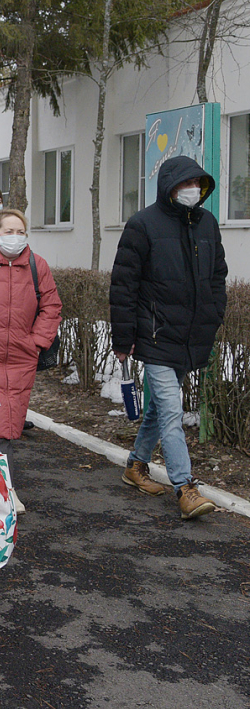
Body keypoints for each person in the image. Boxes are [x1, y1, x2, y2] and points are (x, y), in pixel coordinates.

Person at [111, 155, 225, 520]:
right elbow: (123, 287)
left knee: (159, 410)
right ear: (168, 187)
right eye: (183, 184)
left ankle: (135, 465)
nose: (191, 190)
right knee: (172, 412)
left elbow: (217, 276)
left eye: (196, 184)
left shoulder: (207, 223)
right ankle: (185, 487)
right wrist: (123, 339)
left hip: (189, 335)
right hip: (156, 337)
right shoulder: (142, 224)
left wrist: (213, 314)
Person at [0, 208, 62, 515]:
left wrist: (37, 342)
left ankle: (2, 489)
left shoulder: (38, 266)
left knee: (6, 428)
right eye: (8, 231)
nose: (15, 237)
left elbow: (51, 306)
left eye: (20, 231)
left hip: (21, 359)